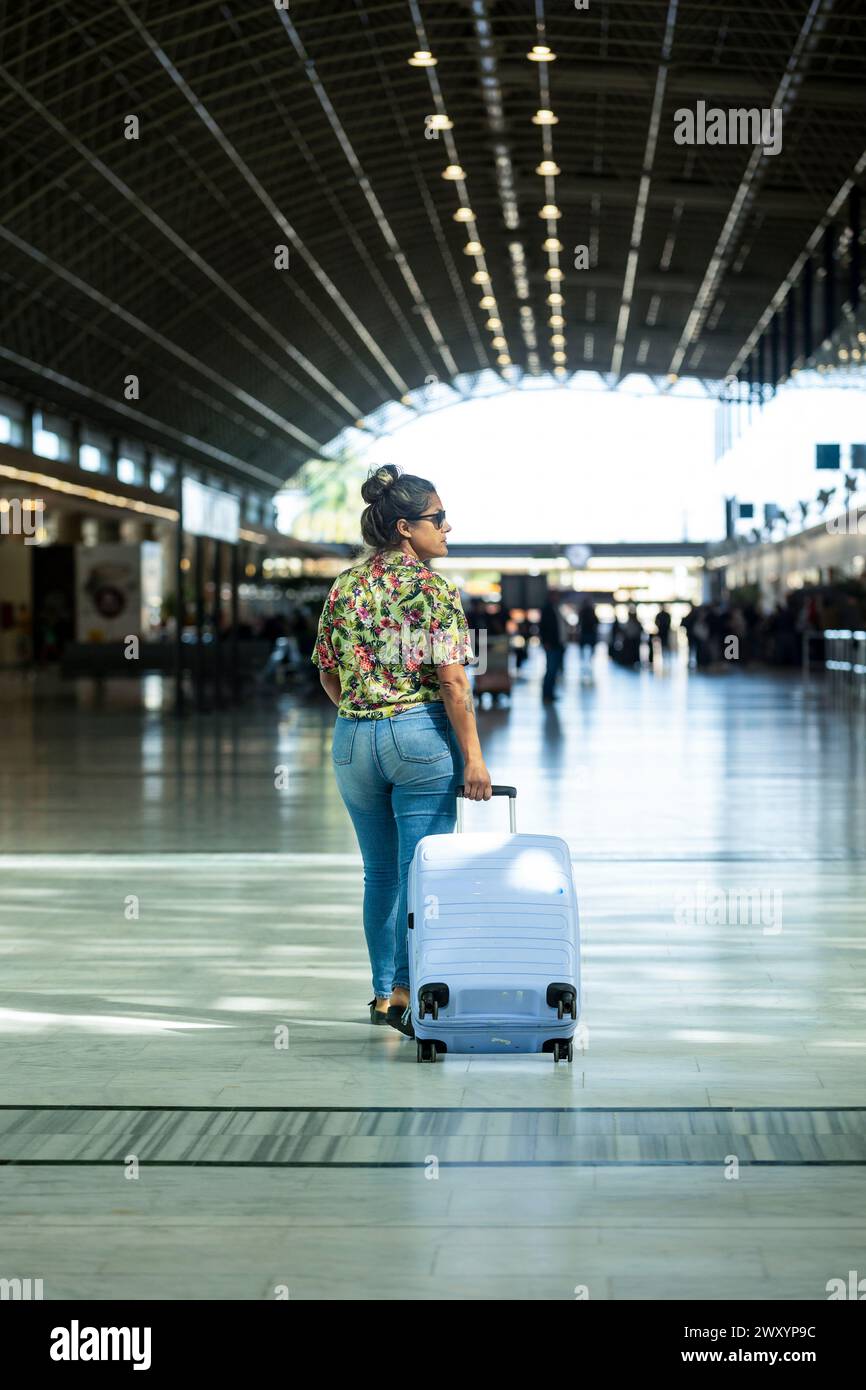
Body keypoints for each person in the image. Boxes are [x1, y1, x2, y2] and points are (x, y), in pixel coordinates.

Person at [312, 465, 493, 1040]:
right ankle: (409, 993)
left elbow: (327, 671)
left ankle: (382, 993)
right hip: (417, 738)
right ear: (405, 529)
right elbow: (454, 683)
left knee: (380, 873)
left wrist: (359, 712)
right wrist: (474, 758)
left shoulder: (345, 586)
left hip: (352, 741)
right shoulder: (433, 588)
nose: (448, 527)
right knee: (422, 875)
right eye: (437, 519)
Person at [539, 593, 567, 702]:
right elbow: (543, 627)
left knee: (554, 670)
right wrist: (546, 642)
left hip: (558, 644)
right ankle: (547, 694)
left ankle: (550, 693)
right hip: (551, 644)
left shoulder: (556, 609)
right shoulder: (547, 610)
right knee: (550, 670)